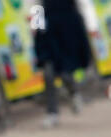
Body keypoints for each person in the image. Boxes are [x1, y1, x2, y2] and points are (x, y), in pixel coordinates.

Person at [34, 0, 99, 128]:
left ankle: (74, 93)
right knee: (48, 72)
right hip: (49, 30)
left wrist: (92, 26)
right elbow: (35, 5)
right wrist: (36, 26)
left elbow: (84, 4)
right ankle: (52, 113)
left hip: (69, 27)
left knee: (65, 71)